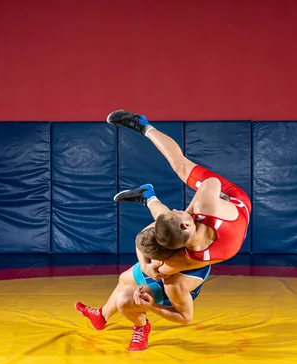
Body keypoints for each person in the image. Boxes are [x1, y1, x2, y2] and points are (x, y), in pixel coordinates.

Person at [75, 109, 253, 351]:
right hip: (232, 208)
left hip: (226, 207)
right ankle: (148, 189)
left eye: (179, 211)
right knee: (180, 170)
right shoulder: (201, 215)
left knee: (180, 172)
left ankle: (145, 135)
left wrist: (150, 267)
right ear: (187, 224)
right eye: (179, 212)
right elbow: (211, 185)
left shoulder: (184, 254)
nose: (179, 209)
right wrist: (189, 213)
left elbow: (157, 265)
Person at [75, 226, 210, 351]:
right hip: (169, 267)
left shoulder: (176, 285)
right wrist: (145, 266)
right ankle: (102, 316)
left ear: (160, 261)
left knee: (124, 300)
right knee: (125, 279)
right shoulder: (173, 228)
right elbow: (141, 238)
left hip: (172, 288)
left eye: (150, 260)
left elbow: (185, 318)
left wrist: (151, 306)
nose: (148, 261)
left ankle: (141, 327)